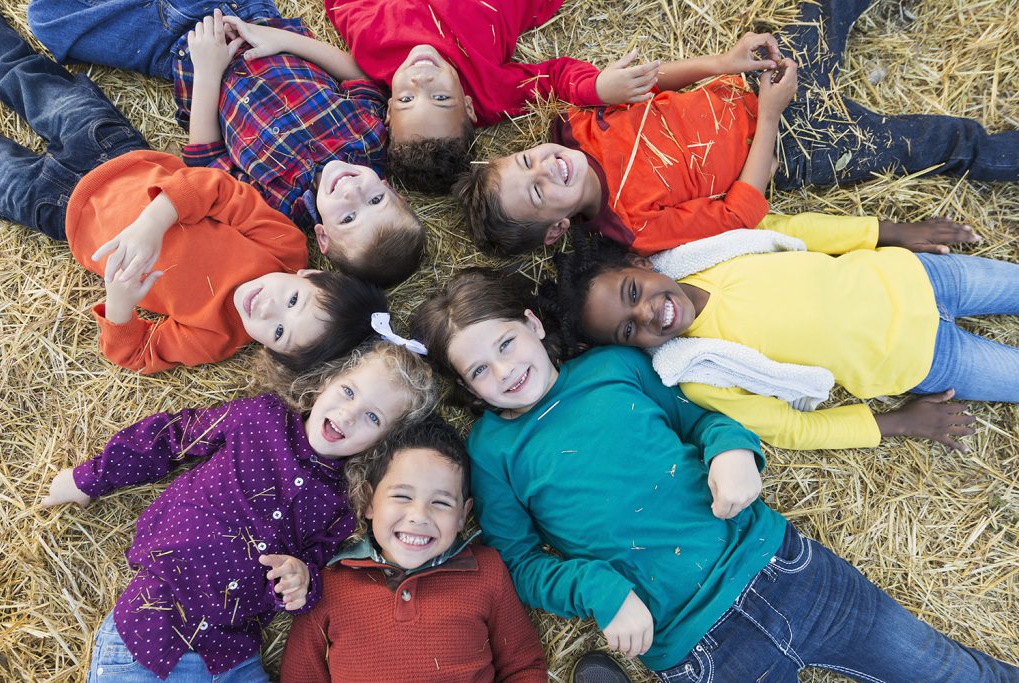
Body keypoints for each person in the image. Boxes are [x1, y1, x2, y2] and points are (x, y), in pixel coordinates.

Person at [408, 267, 1019, 682]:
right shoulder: (492, 451)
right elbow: (521, 563)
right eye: (481, 371)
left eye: (507, 344)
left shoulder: (615, 366)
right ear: (468, 388)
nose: (505, 371)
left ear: (533, 324)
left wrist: (734, 451)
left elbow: (701, 417)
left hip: (780, 568)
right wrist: (600, 591)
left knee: (939, 667)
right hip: (694, 641)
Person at [456, 0, 1019, 256]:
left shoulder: (579, 126)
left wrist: (723, 64)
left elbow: (654, 83)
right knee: (937, 145)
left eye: (527, 159)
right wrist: (772, 116)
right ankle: (998, 155)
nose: (545, 167)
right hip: (794, 145)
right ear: (555, 229)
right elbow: (739, 213)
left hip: (755, 79)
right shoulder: (632, 229)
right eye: (537, 191)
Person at [0, 14, 386, 374]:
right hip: (114, 154)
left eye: (280, 332)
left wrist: (119, 304)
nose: (269, 309)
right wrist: (151, 223)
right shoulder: (283, 247)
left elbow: (135, 354)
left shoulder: (213, 338)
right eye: (293, 301)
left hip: (58, 211)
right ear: (310, 274)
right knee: (22, 74)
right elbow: (212, 187)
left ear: (273, 353)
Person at [42, 339, 437, 681]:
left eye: (372, 417)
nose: (349, 414)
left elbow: (312, 571)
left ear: (381, 443)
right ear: (325, 382)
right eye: (349, 392)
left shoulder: (343, 506)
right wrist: (88, 479)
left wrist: (301, 584)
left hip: (231, 656)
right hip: (152, 628)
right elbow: (173, 437)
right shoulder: (259, 418)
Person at [539, 213, 1019, 451]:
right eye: (628, 330)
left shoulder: (713, 250)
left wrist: (887, 231)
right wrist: (895, 424)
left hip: (921, 275)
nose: (646, 313)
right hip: (928, 358)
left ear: (640, 264)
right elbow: (791, 429)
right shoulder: (702, 373)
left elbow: (799, 231)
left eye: (632, 292)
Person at [28, 2, 425, 288]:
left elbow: (206, 159)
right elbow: (356, 77)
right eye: (376, 200)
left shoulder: (276, 206)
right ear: (392, 191)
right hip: (245, 15)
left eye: (348, 218)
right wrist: (276, 37)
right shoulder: (372, 140)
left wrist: (207, 68)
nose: (354, 191)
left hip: (182, 52)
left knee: (47, 19)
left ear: (322, 237)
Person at [279, 415, 548, 682]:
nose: (419, 516)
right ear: (370, 502)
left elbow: (524, 666)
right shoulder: (328, 582)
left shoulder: (486, 571)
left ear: (462, 515)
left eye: (441, 503)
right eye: (402, 496)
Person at [327, 0, 662, 193]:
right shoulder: (491, 96)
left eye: (406, 99)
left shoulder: (371, 45)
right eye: (442, 97)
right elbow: (552, 81)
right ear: (469, 107)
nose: (421, 78)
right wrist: (597, 88)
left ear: (388, 109)